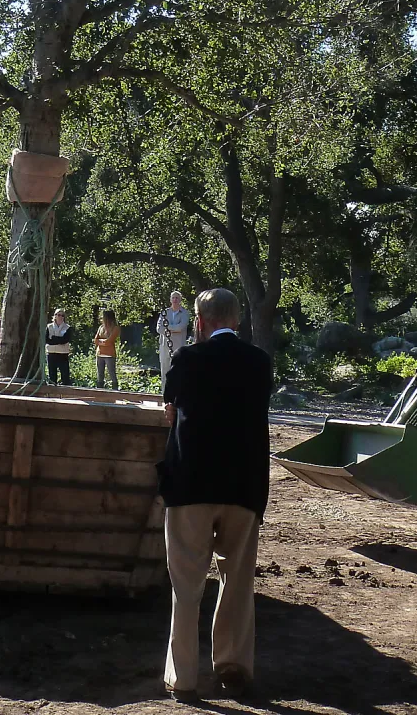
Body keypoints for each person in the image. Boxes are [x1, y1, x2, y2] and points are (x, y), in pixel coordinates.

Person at [158, 287, 272, 705]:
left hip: (191, 486)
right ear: (237, 321)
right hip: (244, 487)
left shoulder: (187, 360)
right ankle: (233, 667)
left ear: (200, 324)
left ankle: (184, 678)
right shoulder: (260, 363)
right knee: (237, 581)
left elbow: (171, 408)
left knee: (187, 586)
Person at [157, 291, 191, 387]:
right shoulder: (164, 313)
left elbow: (181, 327)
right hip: (164, 346)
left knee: (178, 371)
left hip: (178, 346)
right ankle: (164, 395)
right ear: (170, 299)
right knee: (164, 372)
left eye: (177, 298)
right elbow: (159, 328)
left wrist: (167, 327)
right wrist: (173, 328)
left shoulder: (184, 313)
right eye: (173, 298)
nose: (175, 300)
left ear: (180, 300)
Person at [45, 309, 74, 385]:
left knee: (65, 376)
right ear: (55, 316)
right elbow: (47, 340)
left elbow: (65, 340)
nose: (60, 317)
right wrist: (58, 340)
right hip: (51, 354)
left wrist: (54, 338)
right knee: (52, 376)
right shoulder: (49, 326)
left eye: (62, 315)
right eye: (58, 315)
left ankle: (66, 393)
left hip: (63, 354)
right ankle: (51, 394)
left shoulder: (67, 327)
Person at [93, 309, 120, 388]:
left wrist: (101, 341)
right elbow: (95, 340)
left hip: (110, 354)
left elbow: (109, 341)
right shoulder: (101, 327)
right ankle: (99, 392)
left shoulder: (115, 328)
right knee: (100, 374)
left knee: (112, 373)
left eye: (103, 316)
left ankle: (115, 391)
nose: (101, 318)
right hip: (99, 353)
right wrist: (103, 342)